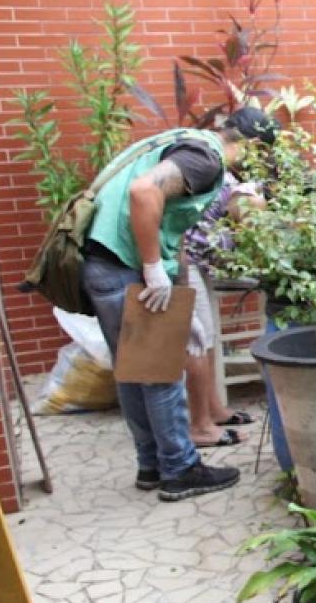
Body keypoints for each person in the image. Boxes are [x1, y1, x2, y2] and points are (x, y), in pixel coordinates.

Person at [81, 107, 278, 502]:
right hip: (126, 266)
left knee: (134, 371)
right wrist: (153, 269)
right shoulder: (207, 161)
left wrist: (177, 284)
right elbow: (143, 192)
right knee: (160, 372)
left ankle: (152, 464)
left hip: (101, 264)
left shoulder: (185, 140)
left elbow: (173, 225)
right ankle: (180, 469)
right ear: (254, 146)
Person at [183, 172, 266, 448]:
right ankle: (200, 425)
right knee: (199, 341)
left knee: (209, 337)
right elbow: (219, 254)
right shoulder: (220, 204)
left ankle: (215, 410)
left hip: (198, 263)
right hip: (184, 261)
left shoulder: (233, 188)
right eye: (243, 220)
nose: (243, 226)